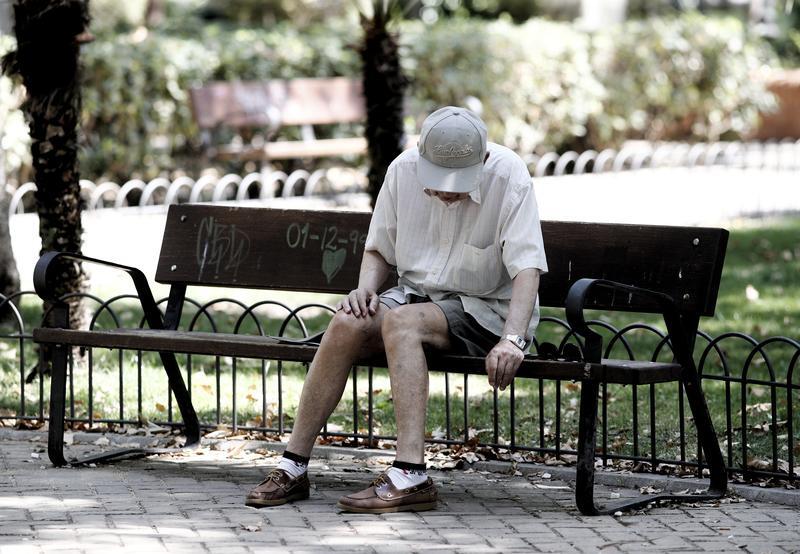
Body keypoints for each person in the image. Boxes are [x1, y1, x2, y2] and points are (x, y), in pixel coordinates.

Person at [245, 106, 548, 513]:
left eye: (458, 184)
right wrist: (364, 291)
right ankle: (293, 466)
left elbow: (527, 266)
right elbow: (378, 249)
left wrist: (512, 339)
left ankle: (410, 475)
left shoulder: (509, 176)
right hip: (416, 297)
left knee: (404, 323)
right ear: (421, 157)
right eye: (438, 182)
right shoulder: (402, 170)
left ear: (484, 159)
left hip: (486, 309)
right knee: (347, 320)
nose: (446, 193)